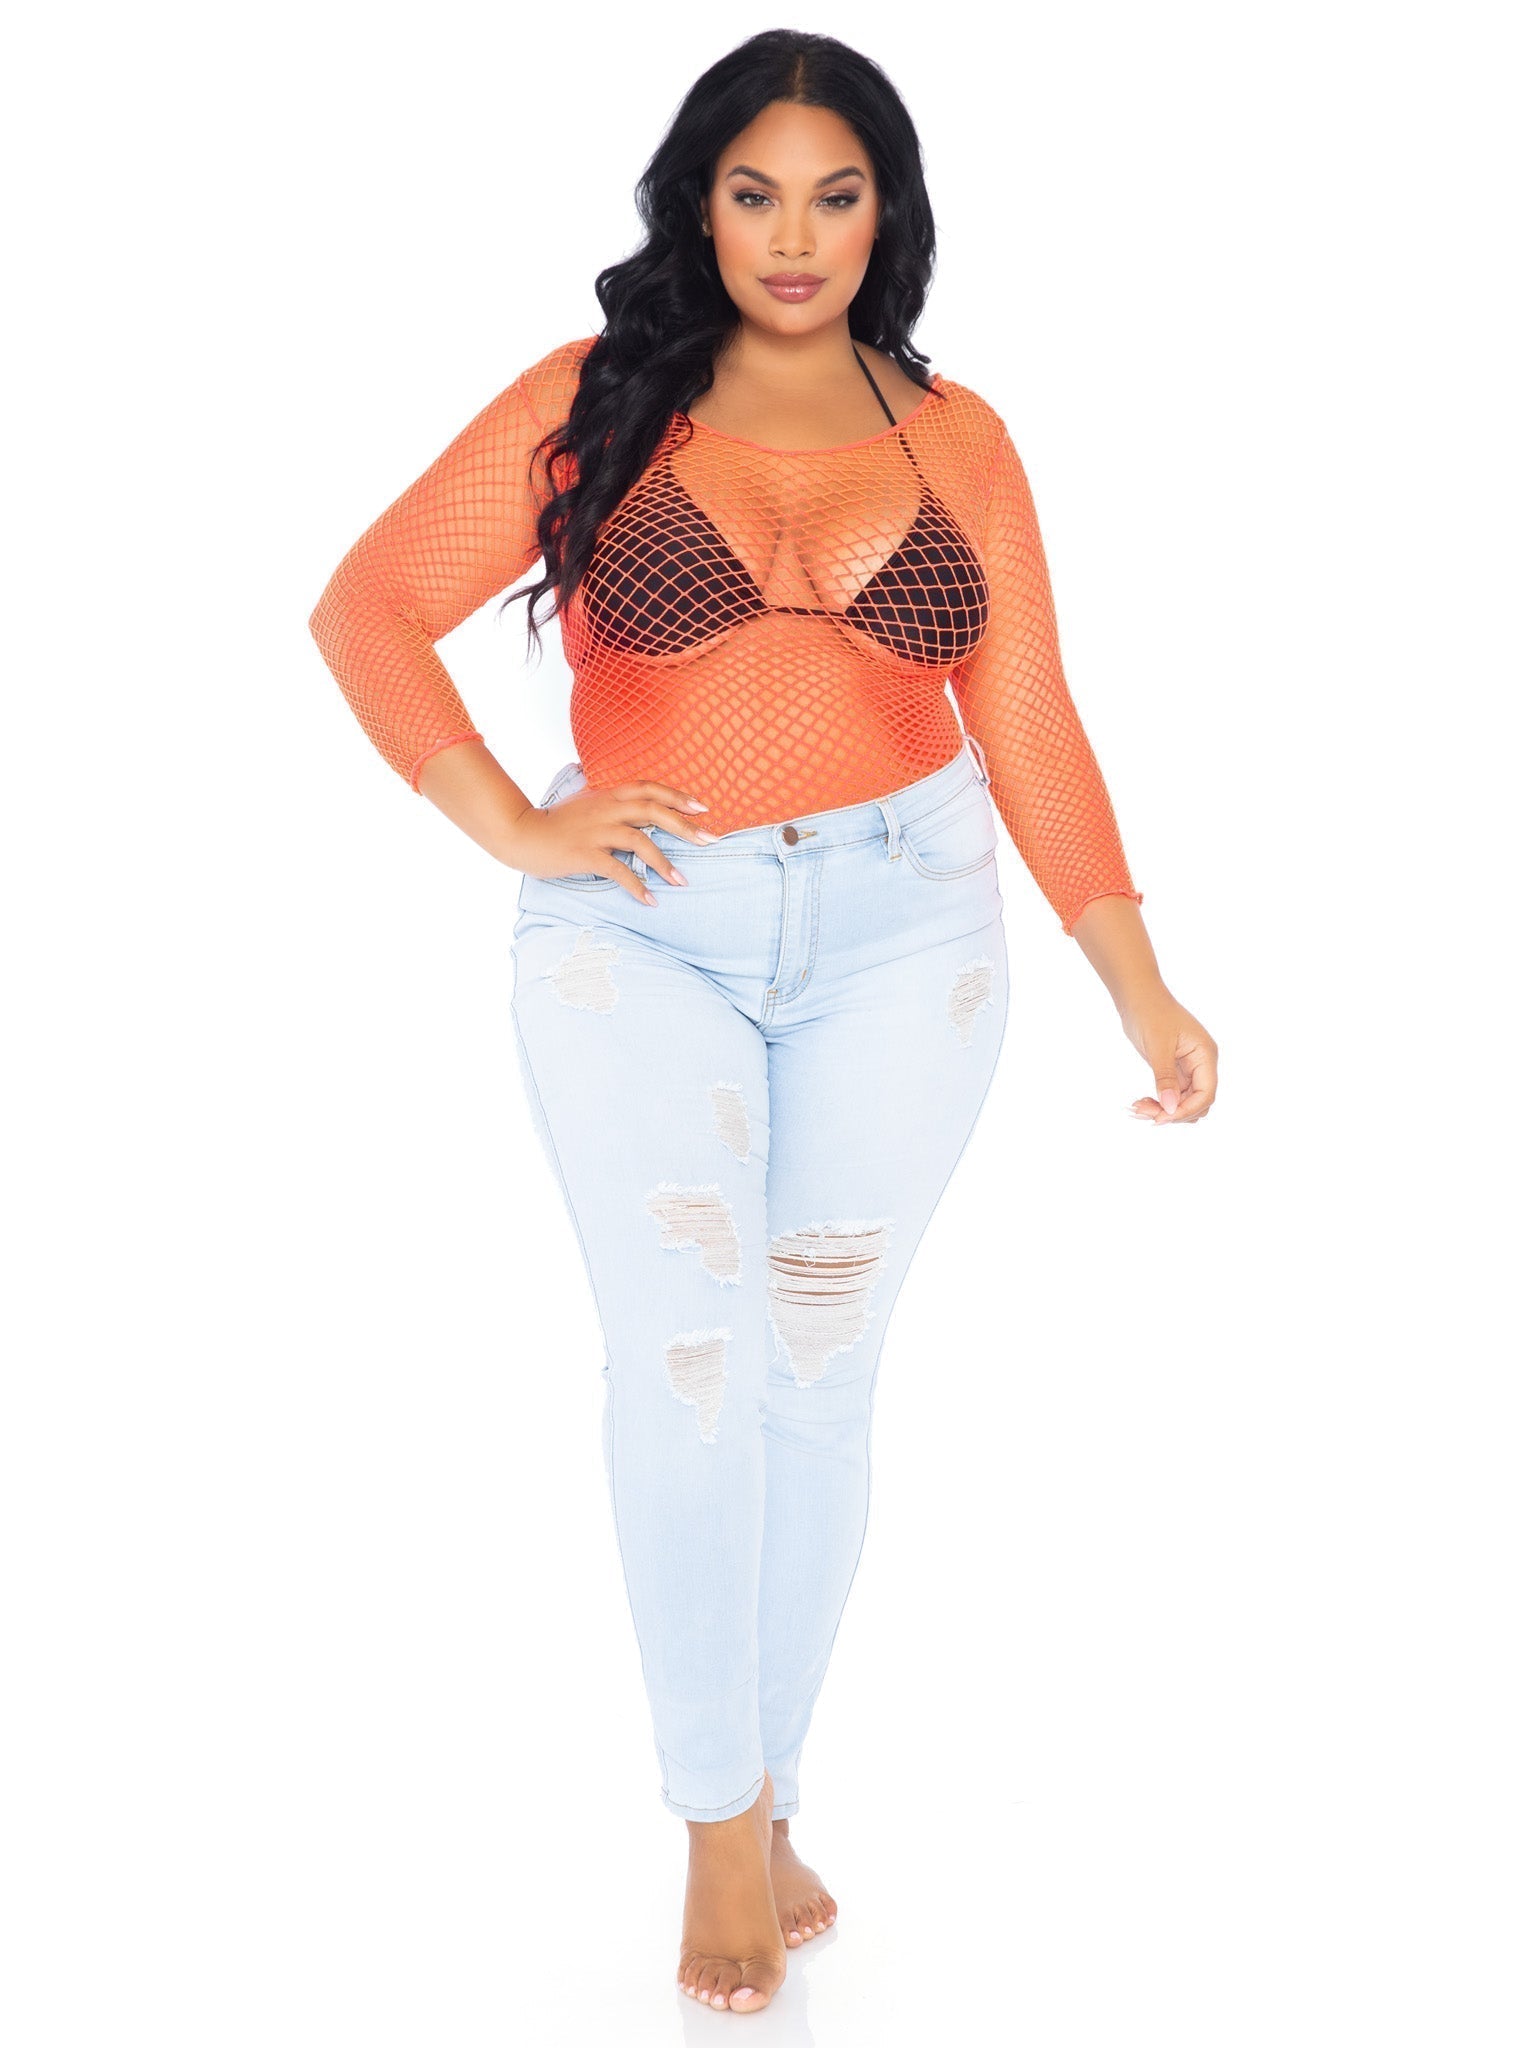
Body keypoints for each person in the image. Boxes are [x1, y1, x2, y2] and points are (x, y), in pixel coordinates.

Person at [307, 26, 1218, 2017]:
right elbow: (365, 608)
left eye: (834, 195)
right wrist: (514, 823)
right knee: (684, 1361)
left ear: (889, 213)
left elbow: (1028, 717)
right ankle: (719, 1814)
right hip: (640, 934)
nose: (792, 237)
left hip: (911, 933)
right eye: (752, 193)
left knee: (816, 1370)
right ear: (697, 204)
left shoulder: (960, 438)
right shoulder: (594, 401)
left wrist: (1134, 977)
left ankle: (772, 1784)